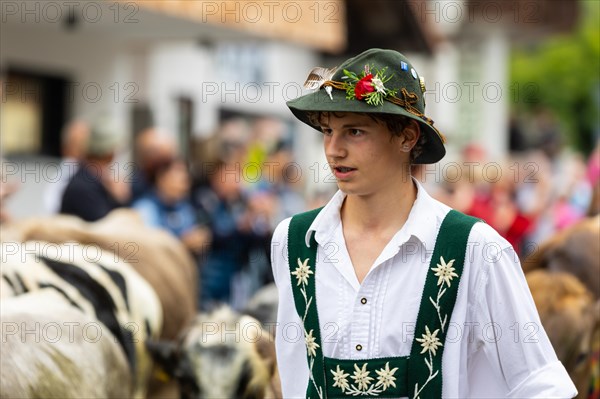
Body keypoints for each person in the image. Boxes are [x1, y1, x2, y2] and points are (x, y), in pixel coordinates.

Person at [270, 49, 577, 398]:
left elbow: (541, 384)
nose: (333, 149)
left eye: (354, 131)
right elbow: (294, 375)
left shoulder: (475, 249)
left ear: (407, 137)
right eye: (327, 130)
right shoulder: (293, 241)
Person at [132, 157, 211, 255]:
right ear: (161, 177)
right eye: (178, 175)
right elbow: (150, 248)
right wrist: (182, 244)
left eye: (186, 177)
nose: (185, 183)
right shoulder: (145, 209)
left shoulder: (184, 206)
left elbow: (191, 231)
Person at [60, 115, 129, 222]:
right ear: (110, 154)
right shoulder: (83, 186)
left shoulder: (91, 181)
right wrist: (120, 200)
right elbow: (106, 229)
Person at [44, 119, 90, 214]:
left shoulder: (98, 171)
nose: (82, 149)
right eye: (77, 144)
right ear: (65, 148)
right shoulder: (63, 178)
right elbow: (52, 209)